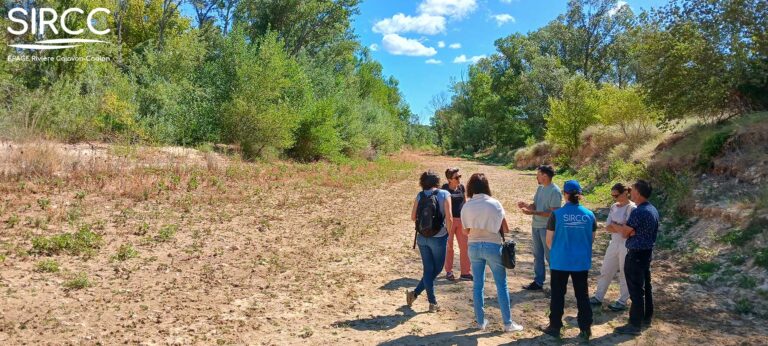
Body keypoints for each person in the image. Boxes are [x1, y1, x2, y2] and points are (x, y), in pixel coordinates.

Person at [461, 173, 524, 332]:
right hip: (493, 246)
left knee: (478, 286)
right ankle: (508, 323)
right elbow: (506, 228)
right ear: (486, 186)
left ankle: (480, 322)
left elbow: (465, 231)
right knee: (501, 285)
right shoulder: (495, 204)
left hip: (474, 246)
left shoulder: (467, 205)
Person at [540, 180, 596, 340]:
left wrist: (559, 251)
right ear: (580, 195)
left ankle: (555, 326)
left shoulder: (556, 215)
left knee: (558, 294)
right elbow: (590, 239)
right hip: (580, 262)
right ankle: (585, 328)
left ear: (565, 194)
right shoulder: (589, 215)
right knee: (582, 295)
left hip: (560, 261)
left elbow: (549, 240)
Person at [613, 180, 660, 336]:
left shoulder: (638, 211)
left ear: (638, 193)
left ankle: (634, 325)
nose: (630, 193)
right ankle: (646, 318)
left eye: (632, 190)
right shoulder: (652, 209)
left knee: (635, 290)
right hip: (646, 253)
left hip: (636, 255)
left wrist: (618, 227)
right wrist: (629, 230)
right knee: (645, 287)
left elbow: (626, 232)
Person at [406, 171, 452, 313]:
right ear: (437, 181)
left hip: (421, 237)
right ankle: (431, 302)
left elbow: (413, 217)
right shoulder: (444, 194)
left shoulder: (420, 195)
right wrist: (449, 237)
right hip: (439, 237)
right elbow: (449, 218)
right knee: (436, 270)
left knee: (428, 270)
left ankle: (415, 294)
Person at [590, 183, 636, 311]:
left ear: (625, 193)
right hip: (614, 242)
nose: (614, 198)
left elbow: (628, 231)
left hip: (626, 245)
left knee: (624, 272)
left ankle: (622, 301)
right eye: (612, 195)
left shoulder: (632, 208)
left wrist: (616, 226)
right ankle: (598, 297)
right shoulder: (614, 207)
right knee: (606, 270)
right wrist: (619, 226)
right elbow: (608, 227)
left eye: (616, 195)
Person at [518, 165, 562, 290]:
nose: (536, 177)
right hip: (536, 226)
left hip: (547, 229)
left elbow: (553, 213)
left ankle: (557, 284)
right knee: (538, 255)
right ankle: (538, 282)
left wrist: (532, 213)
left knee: (550, 256)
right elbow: (536, 205)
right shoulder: (540, 189)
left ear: (544, 176)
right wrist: (526, 205)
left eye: (538, 174)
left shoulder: (555, 191)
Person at [441, 168, 471, 281]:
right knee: (449, 247)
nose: (459, 179)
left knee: (465, 246)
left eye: (459, 176)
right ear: (449, 179)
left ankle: (465, 273)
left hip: (462, 220)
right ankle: (449, 272)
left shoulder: (462, 187)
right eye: (456, 177)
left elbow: (466, 202)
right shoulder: (444, 189)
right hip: (449, 221)